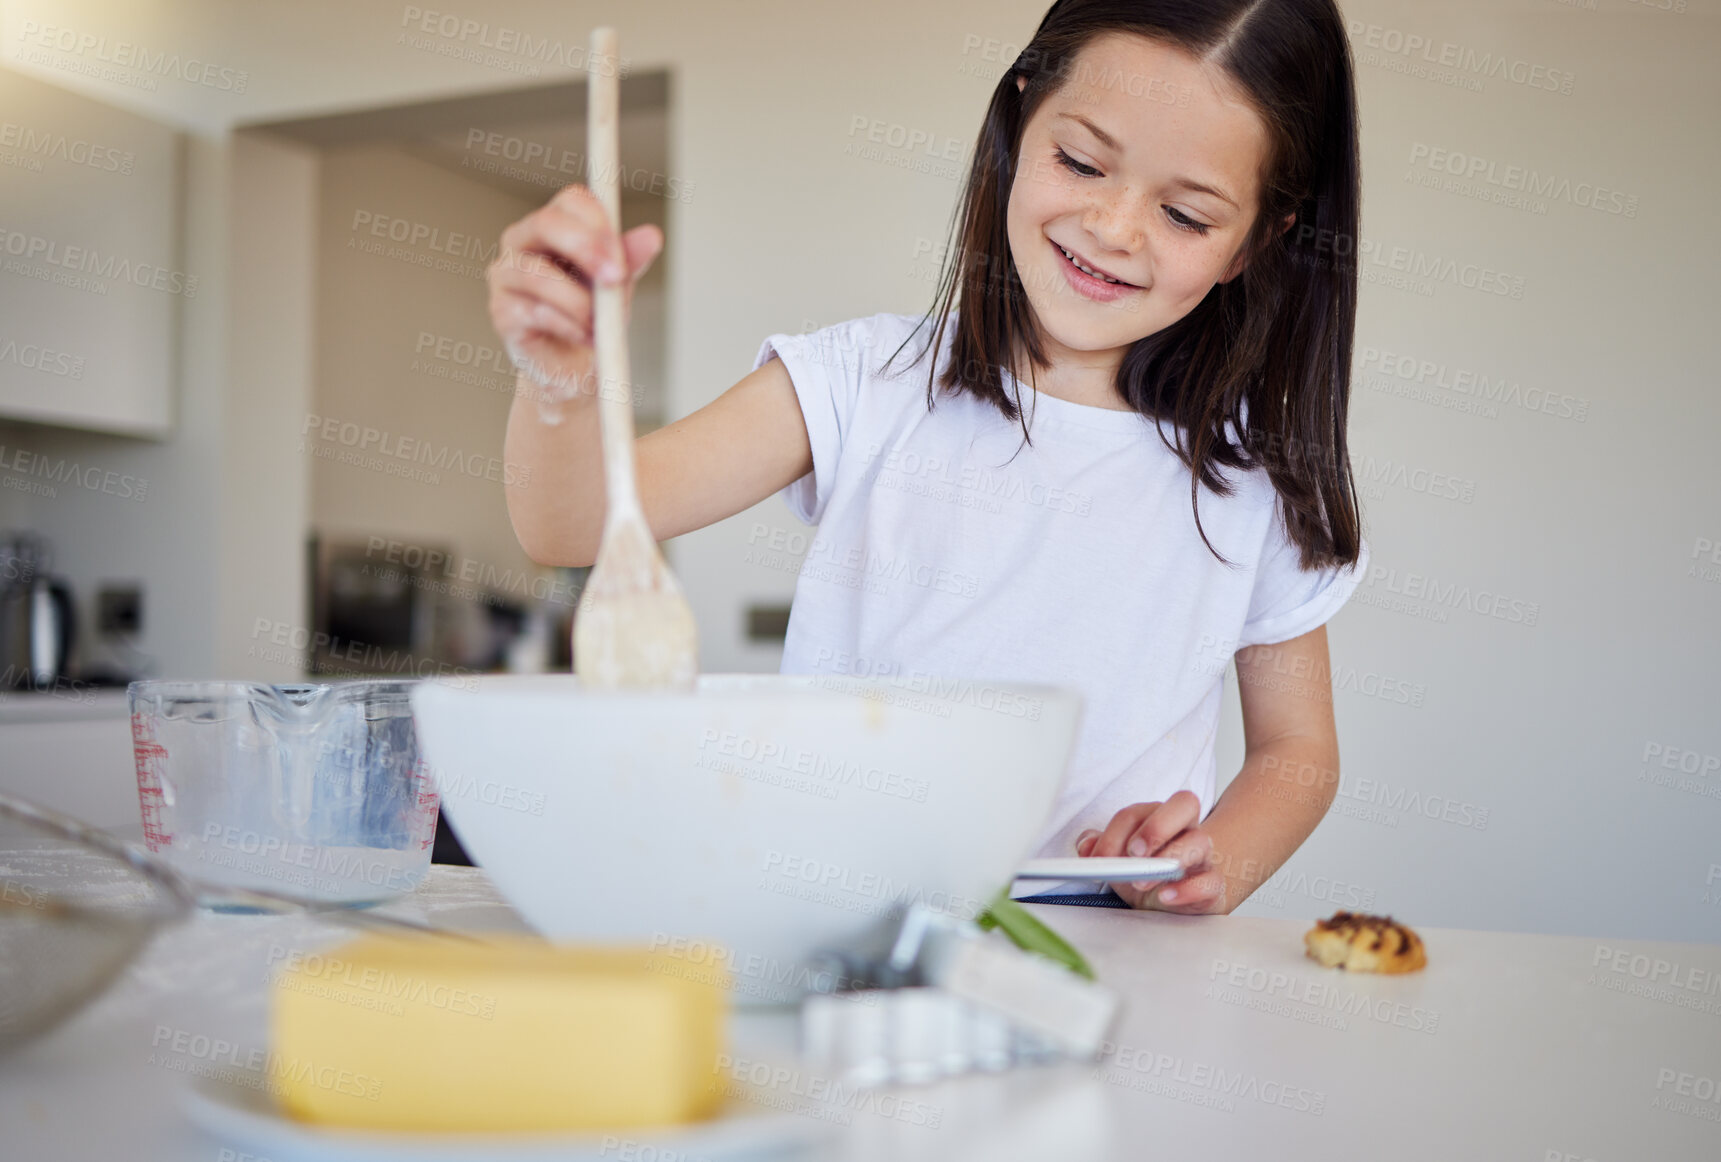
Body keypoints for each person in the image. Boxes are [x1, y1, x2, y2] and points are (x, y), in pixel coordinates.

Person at [485, 0, 1369, 915]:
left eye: (1185, 215)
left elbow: (1297, 753)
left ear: (1258, 240)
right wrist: (562, 382)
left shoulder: (1257, 482)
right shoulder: (863, 380)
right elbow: (572, 523)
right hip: (838, 926)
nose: (1113, 227)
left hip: (1110, 958)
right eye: (1078, 161)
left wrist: (1211, 861)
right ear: (1020, 116)